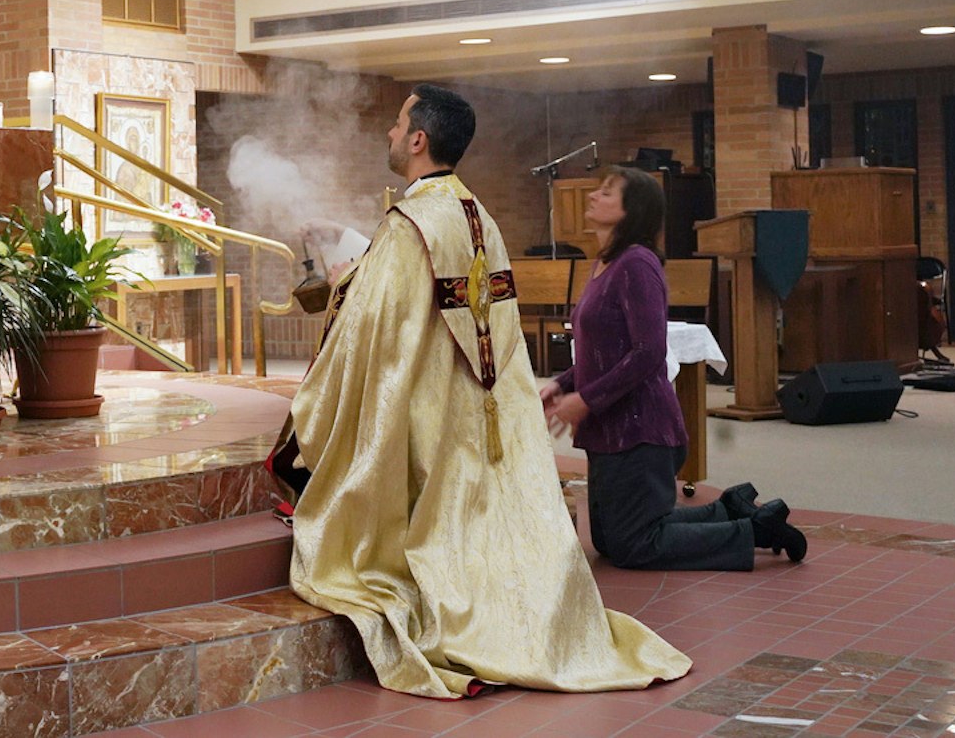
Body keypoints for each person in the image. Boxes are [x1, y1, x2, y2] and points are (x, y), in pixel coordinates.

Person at [269, 85, 691, 699]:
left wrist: (340, 288)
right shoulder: (476, 217)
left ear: (418, 140)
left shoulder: (412, 222)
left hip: (429, 417)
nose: (388, 134)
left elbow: (375, 328)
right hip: (484, 410)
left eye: (395, 125)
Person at [541, 167, 808, 570]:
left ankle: (755, 531)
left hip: (640, 429)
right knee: (611, 542)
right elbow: (604, 350)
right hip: (610, 429)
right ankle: (728, 509)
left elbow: (648, 352)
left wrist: (586, 400)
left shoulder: (637, 264)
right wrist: (563, 385)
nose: (594, 196)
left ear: (632, 211)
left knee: (636, 545)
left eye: (607, 193)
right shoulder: (604, 264)